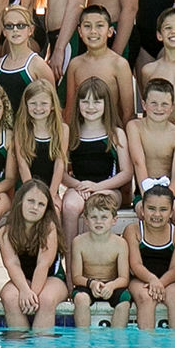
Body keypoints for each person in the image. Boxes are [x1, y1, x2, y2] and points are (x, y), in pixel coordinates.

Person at [59, 78, 132, 240]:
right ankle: (70, 254)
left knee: (95, 206)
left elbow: (126, 173)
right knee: (70, 206)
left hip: (108, 188)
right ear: (78, 104)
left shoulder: (115, 134)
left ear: (107, 104)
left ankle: (90, 254)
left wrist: (97, 187)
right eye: (85, 102)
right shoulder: (72, 134)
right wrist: (79, 186)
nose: (90, 107)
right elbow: (61, 173)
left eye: (97, 102)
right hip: (79, 187)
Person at [0, 180, 66, 332]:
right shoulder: (6, 231)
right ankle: (20, 343)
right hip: (22, 278)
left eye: (41, 204)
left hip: (52, 278)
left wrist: (31, 295)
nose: (35, 207)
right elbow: (12, 264)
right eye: (30, 201)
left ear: (47, 209)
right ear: (20, 201)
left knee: (46, 299)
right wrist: (24, 289)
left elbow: (43, 264)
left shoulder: (49, 228)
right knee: (9, 297)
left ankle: (41, 344)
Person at [126, 184, 175, 331]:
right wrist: (152, 280)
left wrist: (160, 283)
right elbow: (135, 265)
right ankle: (146, 343)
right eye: (151, 208)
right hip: (141, 279)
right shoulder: (133, 231)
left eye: (163, 210)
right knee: (145, 297)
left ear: (171, 212)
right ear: (142, 210)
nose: (157, 214)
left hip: (170, 280)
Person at [61, 6, 135, 125]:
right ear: (80, 31)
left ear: (110, 31)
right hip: (83, 131)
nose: (93, 31)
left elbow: (128, 112)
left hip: (111, 130)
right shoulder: (75, 64)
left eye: (99, 26)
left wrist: (122, 134)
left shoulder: (119, 64)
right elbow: (70, 109)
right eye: (87, 26)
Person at [70, 192, 134, 329]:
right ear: (86, 220)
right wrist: (91, 283)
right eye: (94, 217)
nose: (98, 222)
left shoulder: (120, 243)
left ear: (114, 220)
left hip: (112, 285)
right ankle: (82, 338)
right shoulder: (79, 242)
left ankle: (117, 338)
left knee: (124, 301)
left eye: (104, 217)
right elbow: (76, 277)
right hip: (88, 284)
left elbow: (124, 278)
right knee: (80, 299)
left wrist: (111, 286)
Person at [126, 80, 175, 224]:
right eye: (153, 103)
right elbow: (138, 162)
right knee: (144, 211)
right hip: (144, 189)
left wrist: (167, 198)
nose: (159, 108)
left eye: (164, 104)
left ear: (172, 107)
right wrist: (148, 196)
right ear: (144, 104)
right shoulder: (134, 127)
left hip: (171, 190)